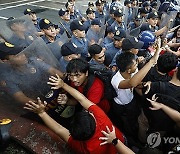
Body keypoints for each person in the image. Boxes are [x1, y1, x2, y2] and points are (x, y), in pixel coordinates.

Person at [24, 74, 125, 154]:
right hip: (122, 144)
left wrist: (41, 113)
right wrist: (63, 85)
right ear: (93, 118)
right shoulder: (100, 117)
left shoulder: (84, 148)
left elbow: (60, 130)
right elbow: (82, 99)